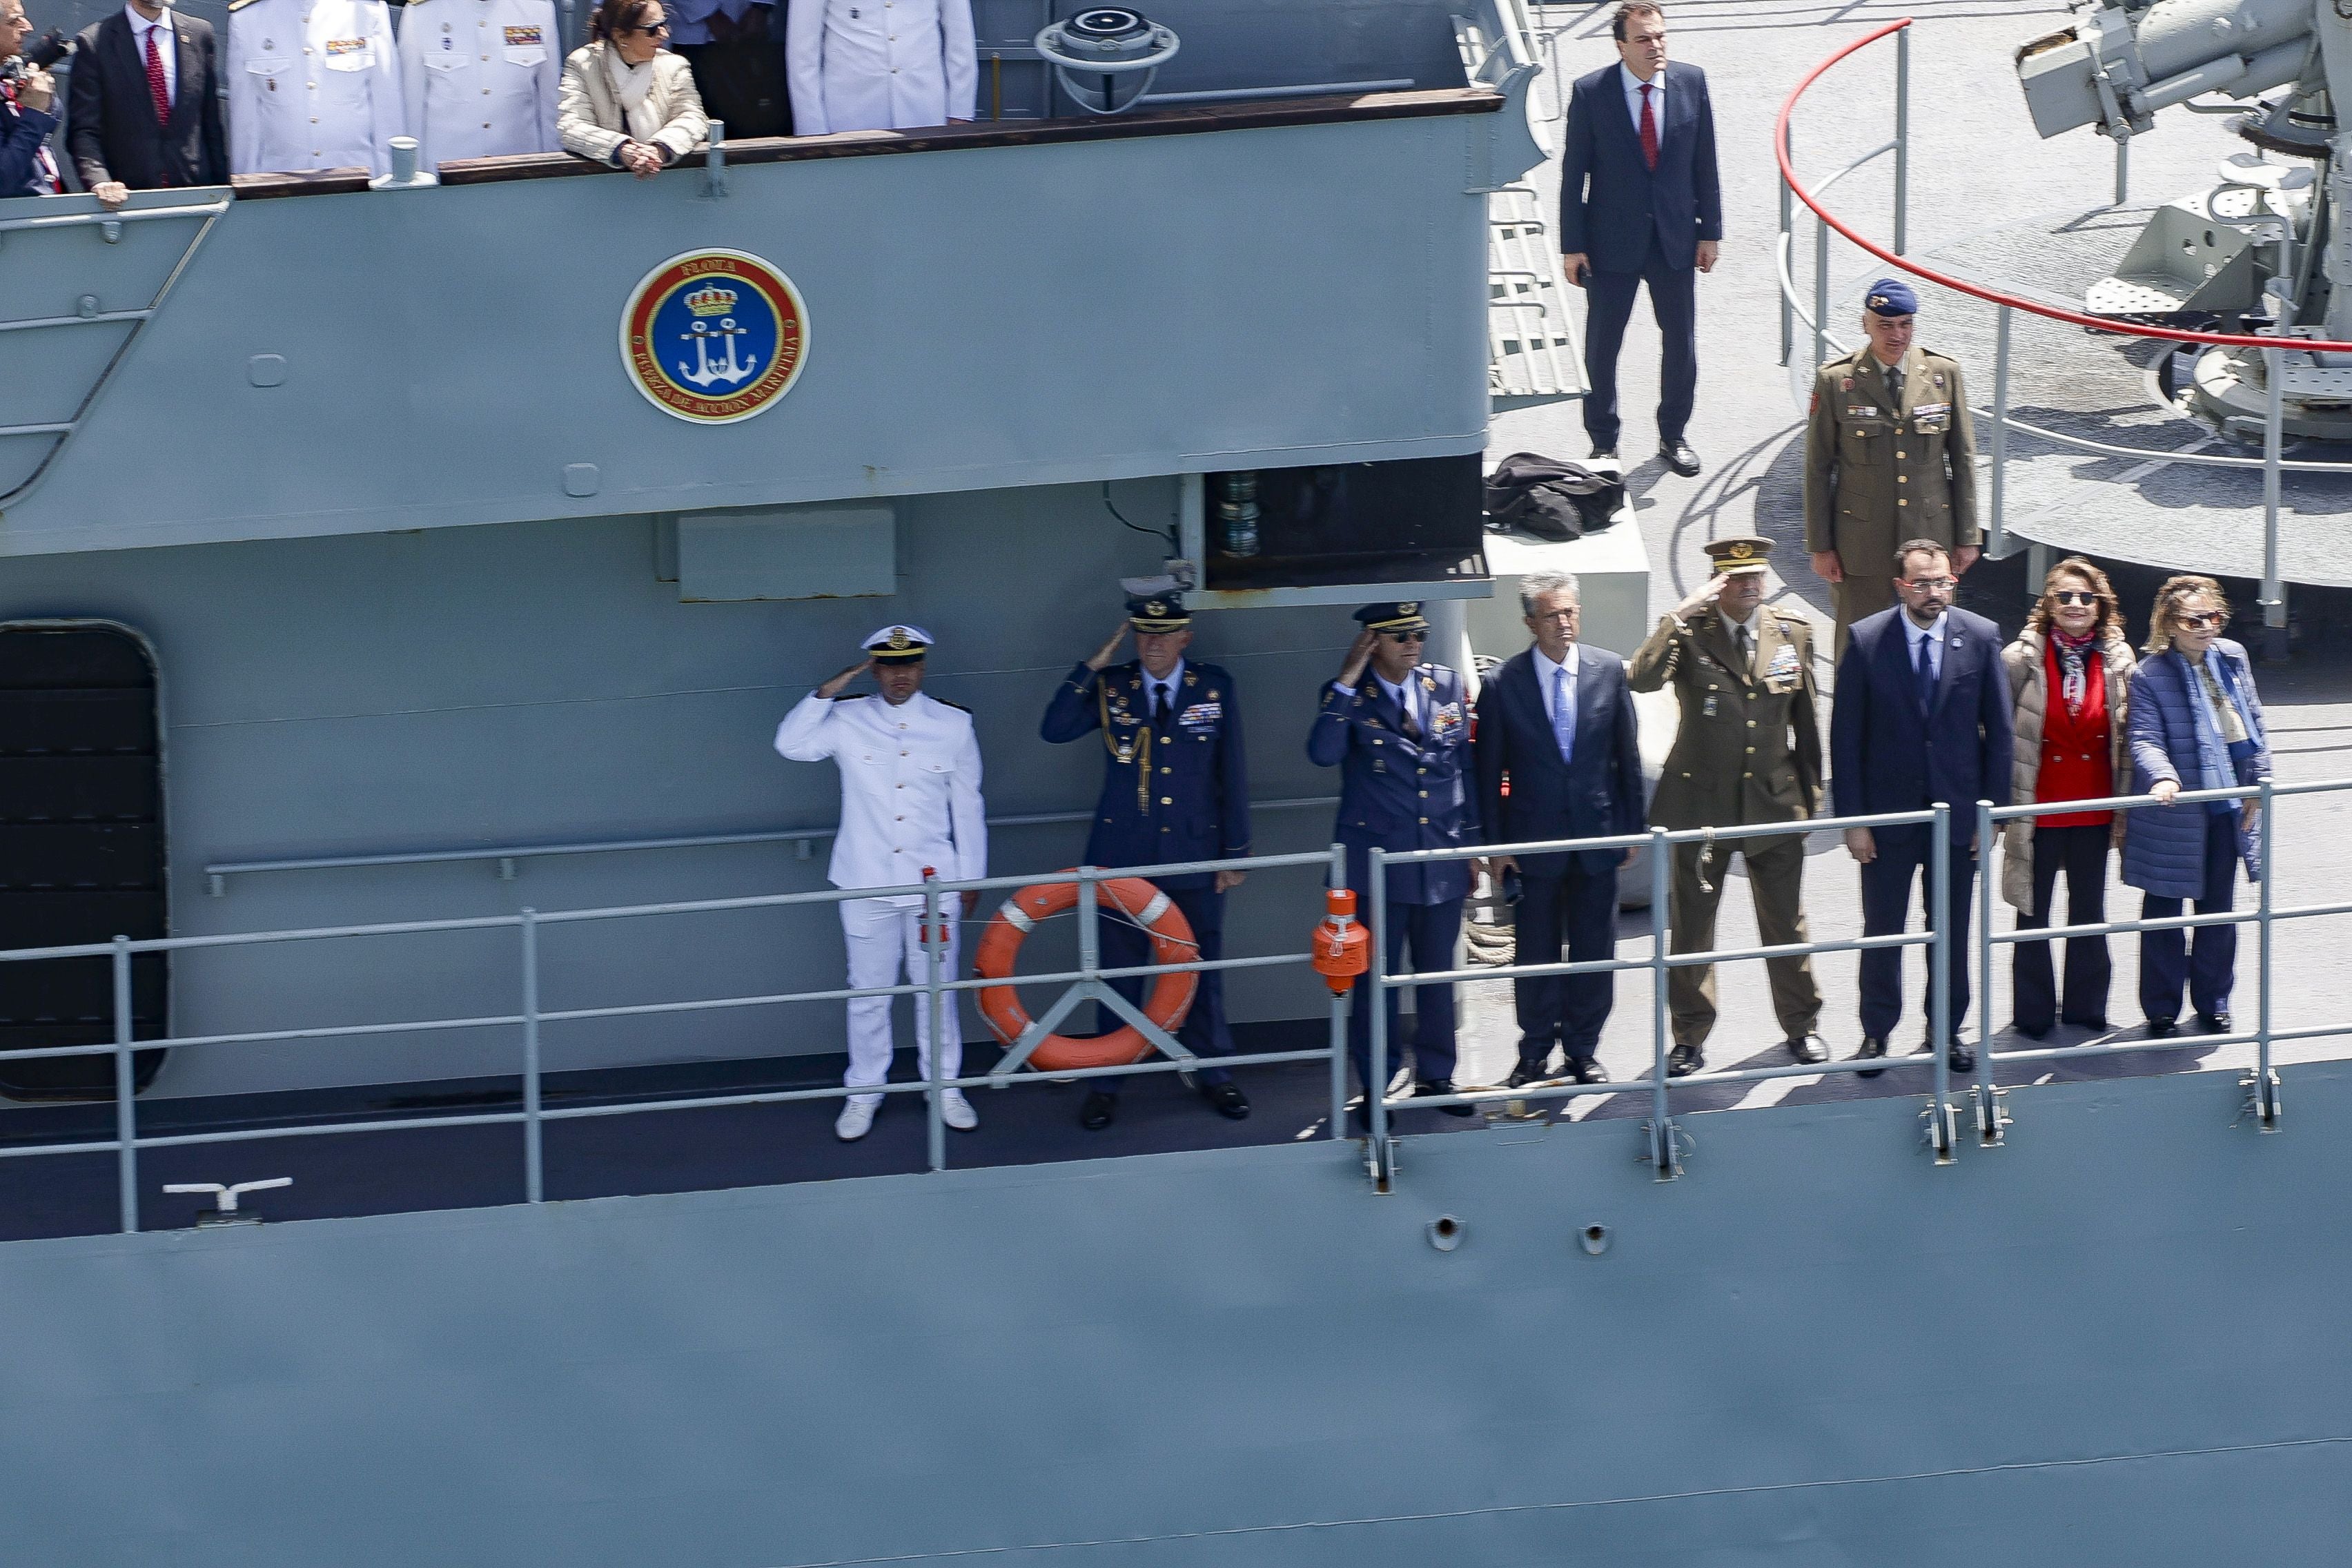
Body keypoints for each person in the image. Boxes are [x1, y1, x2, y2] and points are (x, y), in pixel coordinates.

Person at [1040, 593, 1251, 1132]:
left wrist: (1234, 854)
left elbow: (1231, 772)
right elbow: (1055, 728)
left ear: (1186, 637)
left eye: (1165, 633)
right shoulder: (1113, 688)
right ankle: (1107, 1082)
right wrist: (1092, 666)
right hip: (1122, 858)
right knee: (1118, 972)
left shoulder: (1213, 687)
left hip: (1194, 854)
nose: (1153, 643)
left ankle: (1214, 1072)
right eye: (1143, 633)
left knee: (1201, 968)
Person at [773, 624, 986, 1142]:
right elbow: (790, 744)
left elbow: (970, 805)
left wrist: (971, 879)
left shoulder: (952, 725)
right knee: (868, 993)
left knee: (936, 992)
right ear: (874, 668)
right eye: (889, 666)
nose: (900, 675)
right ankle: (864, 1092)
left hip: (931, 887)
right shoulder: (846, 718)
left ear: (923, 667)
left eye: (909, 664)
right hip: (864, 882)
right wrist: (829, 689)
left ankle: (945, 1088)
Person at [1626, 536, 1826, 1077]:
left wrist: (1810, 799)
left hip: (1773, 803)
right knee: (1692, 928)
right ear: (1718, 584)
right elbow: (1640, 678)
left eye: (1756, 576)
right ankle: (1689, 1037)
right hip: (1701, 805)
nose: (1751, 586)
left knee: (1786, 922)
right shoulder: (1690, 635)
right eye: (1738, 579)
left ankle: (1802, 1026)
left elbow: (1806, 723)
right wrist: (1680, 612)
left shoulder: (1791, 632)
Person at [1831, 540, 2012, 1073]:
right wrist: (1856, 822)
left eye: (1943, 583)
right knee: (1883, 929)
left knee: (1952, 931)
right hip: (1888, 821)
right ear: (1900, 586)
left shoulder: (1980, 637)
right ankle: (1876, 1033)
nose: (1934, 593)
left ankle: (1948, 1030)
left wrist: (1990, 813)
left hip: (1956, 819)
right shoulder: (1867, 640)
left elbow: (2000, 735)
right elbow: (1847, 738)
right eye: (1922, 584)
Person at [1306, 601, 1480, 1126]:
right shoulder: (1348, 698)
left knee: (1436, 978)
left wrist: (1472, 847)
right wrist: (1346, 679)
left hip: (1439, 861)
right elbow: (1323, 752)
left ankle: (1436, 1076)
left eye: (1418, 632)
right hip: (1376, 869)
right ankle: (1377, 1088)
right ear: (1372, 642)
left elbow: (1462, 770)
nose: (1413, 642)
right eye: (1399, 635)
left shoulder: (1445, 687)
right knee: (1374, 984)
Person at [1473, 569, 1644, 1087]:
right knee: (1536, 952)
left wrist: (1630, 829)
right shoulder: (1504, 685)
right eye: (1552, 615)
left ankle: (1583, 1051)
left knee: (1596, 951)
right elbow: (1488, 773)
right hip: (1533, 843)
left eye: (1570, 612)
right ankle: (1534, 1052)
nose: (1564, 623)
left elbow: (1625, 757)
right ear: (1530, 621)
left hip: (1596, 839)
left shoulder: (1608, 671)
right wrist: (1495, 847)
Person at [1558, 0, 1719, 477]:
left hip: (1674, 238)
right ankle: (1603, 445)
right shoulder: (1591, 93)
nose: (1656, 46)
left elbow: (1704, 163)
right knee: (1603, 346)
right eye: (1645, 39)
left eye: (1661, 36)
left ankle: (1673, 436)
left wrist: (1710, 232)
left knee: (1681, 343)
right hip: (1610, 243)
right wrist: (1573, 244)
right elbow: (1573, 176)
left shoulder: (1691, 82)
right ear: (1621, 45)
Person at [2121, 576, 2271, 1037]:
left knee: (2217, 912)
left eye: (2214, 617)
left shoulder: (2233, 658)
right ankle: (2162, 1010)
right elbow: (2144, 739)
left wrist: (2258, 785)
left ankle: (2214, 1002)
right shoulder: (2148, 674)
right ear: (2169, 624)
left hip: (2227, 806)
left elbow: (2255, 722)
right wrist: (2163, 775)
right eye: (2194, 619)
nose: (2206, 627)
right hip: (2174, 809)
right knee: (2163, 911)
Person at [1803, 279, 1980, 654]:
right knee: (1858, 645)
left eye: (1905, 324)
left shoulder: (1943, 374)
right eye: (1885, 325)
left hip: (1930, 539)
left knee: (1935, 641)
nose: (1896, 334)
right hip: (1861, 543)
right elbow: (1818, 468)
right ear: (1865, 324)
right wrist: (1821, 546)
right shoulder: (1837, 381)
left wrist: (1967, 537)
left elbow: (1962, 460)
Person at [1999, 557, 2136, 1039]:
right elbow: (1994, 731)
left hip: (2094, 807)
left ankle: (2084, 1009)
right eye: (2065, 597)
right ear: (2049, 605)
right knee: (2031, 910)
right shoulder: (2020, 659)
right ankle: (2033, 1014)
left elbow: (2130, 733)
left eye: (2086, 597)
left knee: (2088, 911)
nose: (2076, 605)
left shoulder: (2119, 660)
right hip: (2038, 806)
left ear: (2101, 606)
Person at [66, 0, 228, 206]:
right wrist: (100, 181)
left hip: (196, 197)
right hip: (127, 201)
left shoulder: (200, 34)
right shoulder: (95, 42)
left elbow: (210, 123)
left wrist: (224, 190)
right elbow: (84, 130)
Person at [227, 0, 405, 177]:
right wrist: (247, 189)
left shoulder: (368, 11)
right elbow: (245, 123)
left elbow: (388, 109)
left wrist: (390, 182)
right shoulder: (247, 19)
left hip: (359, 177)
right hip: (280, 182)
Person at [396, 0, 561, 169]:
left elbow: (551, 106)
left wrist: (554, 172)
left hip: (520, 172)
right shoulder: (422, 13)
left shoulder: (538, 9)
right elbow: (411, 109)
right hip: (446, 175)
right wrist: (414, 177)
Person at [558, 0, 707, 177]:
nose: (664, 34)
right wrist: (622, 149)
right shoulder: (582, 65)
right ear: (620, 35)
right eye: (653, 29)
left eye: (664, 25)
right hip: (601, 187)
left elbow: (693, 118)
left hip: (664, 181)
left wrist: (658, 149)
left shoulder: (675, 65)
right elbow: (572, 126)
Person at [785, 0, 971, 136]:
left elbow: (960, 37)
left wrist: (959, 113)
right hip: (849, 120)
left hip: (926, 113)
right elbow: (802, 55)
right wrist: (812, 131)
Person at [669, 0, 789, 139]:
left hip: (758, 33)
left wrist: (761, 6)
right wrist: (709, 14)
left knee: (761, 126)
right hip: (693, 38)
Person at [0, 1, 61, 197]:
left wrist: (43, 98)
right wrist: (34, 113)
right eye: (13, 21)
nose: (28, 27)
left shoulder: (7, 79)